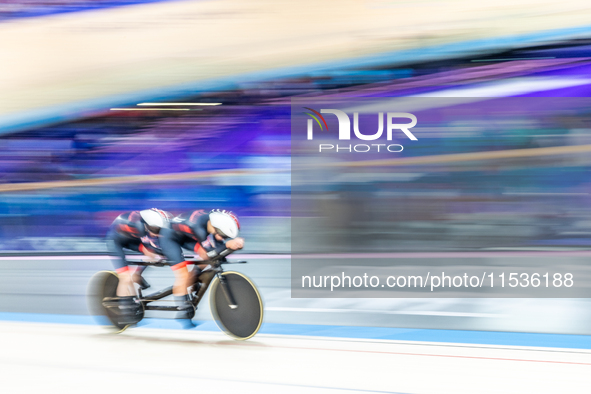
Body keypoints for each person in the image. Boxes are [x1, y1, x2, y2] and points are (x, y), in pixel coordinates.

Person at [159, 209, 245, 325]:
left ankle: (193, 278)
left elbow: (215, 253)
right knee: (183, 275)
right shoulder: (199, 226)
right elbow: (212, 253)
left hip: (186, 235)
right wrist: (228, 246)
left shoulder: (211, 224)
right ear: (217, 227)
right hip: (169, 237)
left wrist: (231, 247)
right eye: (224, 235)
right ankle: (183, 310)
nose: (223, 239)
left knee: (207, 257)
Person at [106, 208, 171, 325]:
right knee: (125, 278)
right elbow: (152, 246)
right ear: (146, 224)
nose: (158, 233)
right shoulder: (138, 226)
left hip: (131, 238)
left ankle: (137, 275)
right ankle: (125, 312)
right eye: (156, 230)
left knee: (152, 254)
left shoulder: (148, 223)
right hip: (116, 240)